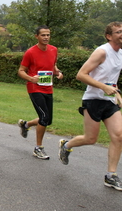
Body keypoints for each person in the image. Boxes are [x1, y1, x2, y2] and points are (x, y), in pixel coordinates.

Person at [58, 22, 122, 191]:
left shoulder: (120, 53)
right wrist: (104, 87)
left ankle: (111, 175)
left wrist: (116, 93)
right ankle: (66, 145)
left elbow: (112, 79)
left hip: (109, 101)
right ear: (109, 36)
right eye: (118, 32)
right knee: (91, 139)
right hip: (93, 99)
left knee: (119, 135)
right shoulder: (102, 52)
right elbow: (81, 75)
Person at [17, 25, 63, 160]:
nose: (46, 37)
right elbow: (21, 71)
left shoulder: (54, 50)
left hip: (48, 87)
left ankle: (26, 125)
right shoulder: (30, 52)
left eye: (48, 35)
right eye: (43, 35)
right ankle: (38, 148)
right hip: (34, 88)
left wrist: (58, 72)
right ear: (37, 36)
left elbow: (52, 66)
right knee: (44, 117)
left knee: (47, 119)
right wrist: (31, 79)